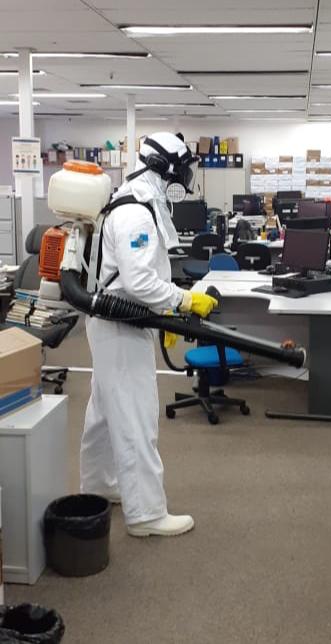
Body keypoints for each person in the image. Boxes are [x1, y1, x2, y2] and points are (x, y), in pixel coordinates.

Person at [80, 132, 217, 537]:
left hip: (115, 322)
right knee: (136, 415)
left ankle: (99, 486)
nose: (186, 176)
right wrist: (183, 300)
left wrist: (166, 310)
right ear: (165, 167)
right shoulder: (136, 212)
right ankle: (146, 514)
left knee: (104, 411)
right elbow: (139, 282)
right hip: (120, 324)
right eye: (184, 168)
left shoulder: (134, 199)